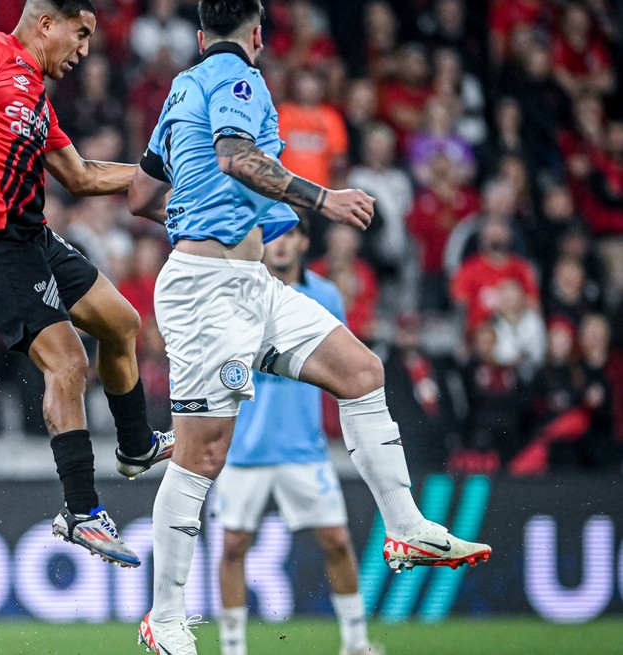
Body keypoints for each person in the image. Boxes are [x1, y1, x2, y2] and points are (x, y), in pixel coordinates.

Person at [126, 2, 490, 652]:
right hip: (208, 292)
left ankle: (404, 525)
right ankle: (165, 615)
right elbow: (236, 156)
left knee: (361, 370)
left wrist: (194, 217)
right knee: (201, 455)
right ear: (258, 35)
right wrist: (323, 198)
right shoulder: (241, 79)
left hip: (253, 283)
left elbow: (139, 196)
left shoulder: (182, 87)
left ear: (202, 33)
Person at [0, 0, 173, 567]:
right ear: (48, 23)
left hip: (32, 237)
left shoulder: (36, 98)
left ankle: (136, 446)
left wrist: (168, 171)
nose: (85, 51)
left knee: (123, 322)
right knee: (67, 362)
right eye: (81, 34)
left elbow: (83, 176)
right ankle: (81, 511)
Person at [213, 220, 381, 655]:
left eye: (288, 234)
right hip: (244, 448)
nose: (280, 243)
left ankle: (356, 643)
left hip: (303, 448)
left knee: (338, 542)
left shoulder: (325, 296)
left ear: (303, 242)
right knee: (232, 546)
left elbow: (343, 364)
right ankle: (233, 649)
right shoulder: (240, 293)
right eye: (271, 236)